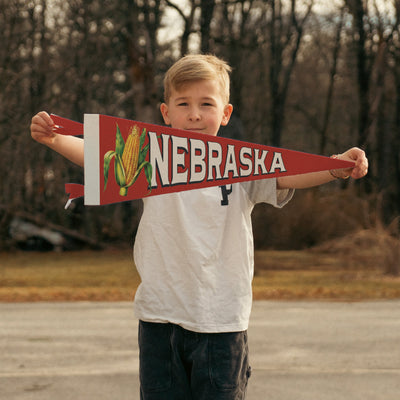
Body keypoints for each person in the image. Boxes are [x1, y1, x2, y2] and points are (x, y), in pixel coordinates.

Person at [31, 54, 368, 399]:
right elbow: (101, 156)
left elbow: (288, 173)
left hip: (221, 321)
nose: (194, 114)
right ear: (166, 113)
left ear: (225, 113)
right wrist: (55, 139)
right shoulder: (150, 160)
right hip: (160, 319)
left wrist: (334, 167)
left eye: (206, 103)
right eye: (183, 103)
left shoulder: (241, 164)